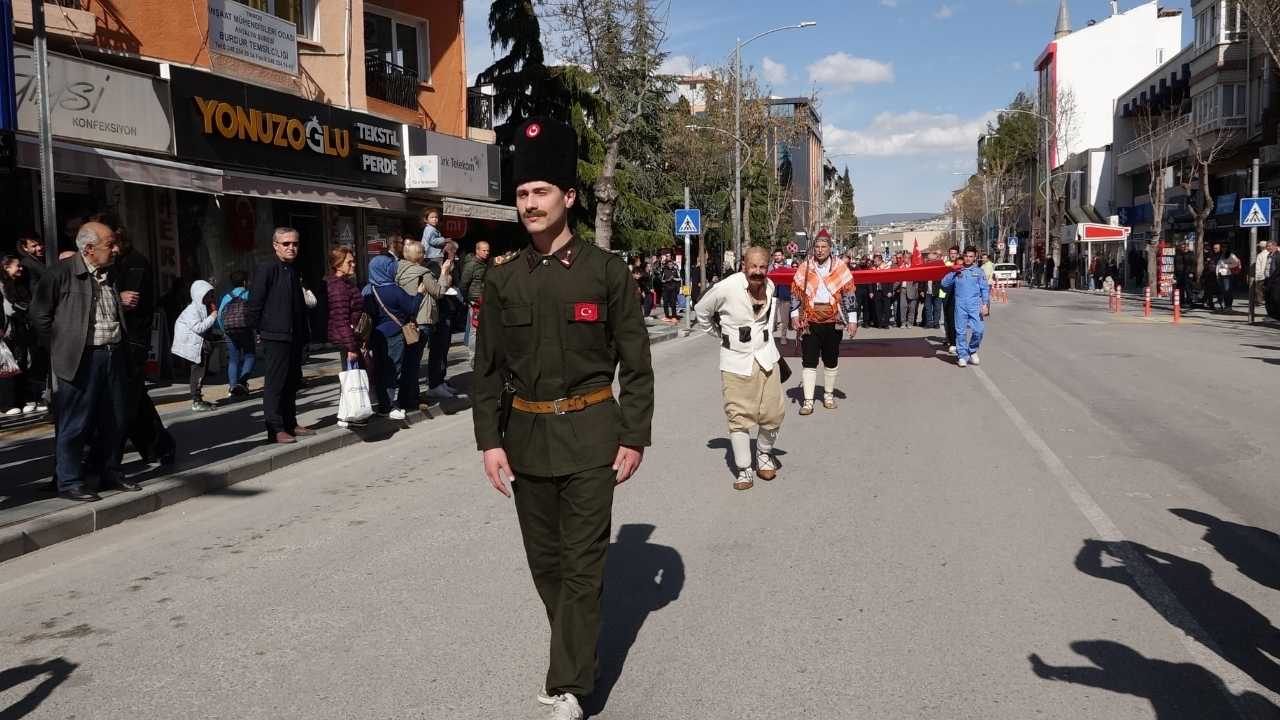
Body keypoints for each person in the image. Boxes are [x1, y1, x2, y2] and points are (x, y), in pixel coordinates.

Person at [472, 116, 654, 720]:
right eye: (522, 194)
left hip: (592, 436)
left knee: (582, 565)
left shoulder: (606, 273)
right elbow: (487, 369)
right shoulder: (502, 278)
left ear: (568, 197)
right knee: (545, 565)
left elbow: (637, 364)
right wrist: (489, 444)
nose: (529, 203)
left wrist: (634, 435)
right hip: (525, 438)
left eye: (540, 192)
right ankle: (580, 652)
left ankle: (569, 685)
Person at [29, 222, 142, 501]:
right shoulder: (61, 274)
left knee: (116, 418)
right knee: (75, 423)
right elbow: (39, 315)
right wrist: (61, 347)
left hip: (113, 354)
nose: (115, 249)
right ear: (89, 249)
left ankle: (110, 471)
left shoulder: (110, 273)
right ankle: (69, 481)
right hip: (80, 358)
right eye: (109, 245)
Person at [694, 246, 785, 491]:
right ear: (744, 265)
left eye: (762, 267)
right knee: (739, 416)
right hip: (736, 361)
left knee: (774, 413)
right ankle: (744, 469)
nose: (757, 271)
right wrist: (720, 334)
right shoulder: (727, 287)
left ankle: (764, 454)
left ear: (768, 268)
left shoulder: (770, 286)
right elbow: (701, 310)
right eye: (753, 266)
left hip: (766, 357)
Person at [245, 227, 314, 444]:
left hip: (294, 336)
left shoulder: (292, 269)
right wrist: (258, 331)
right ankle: (275, 429)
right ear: (276, 245)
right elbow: (255, 303)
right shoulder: (267, 268)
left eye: (294, 243)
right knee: (276, 384)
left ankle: (290, 422)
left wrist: (304, 336)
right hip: (275, 336)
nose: (291, 247)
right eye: (286, 244)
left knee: (292, 382)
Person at [791, 232, 856, 416]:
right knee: (809, 361)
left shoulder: (840, 267)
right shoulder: (805, 267)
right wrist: (795, 315)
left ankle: (828, 395)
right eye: (817, 247)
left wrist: (852, 319)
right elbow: (795, 292)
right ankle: (808, 401)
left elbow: (849, 293)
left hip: (833, 319)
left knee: (831, 359)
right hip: (810, 320)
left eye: (823, 247)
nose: (820, 250)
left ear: (830, 248)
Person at [365, 254, 422, 420]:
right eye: (390, 267)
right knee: (392, 369)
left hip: (376, 335)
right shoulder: (393, 289)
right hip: (394, 334)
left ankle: (383, 401)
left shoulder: (369, 289)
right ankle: (388, 404)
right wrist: (419, 293)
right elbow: (411, 308)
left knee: (380, 369)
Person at [396, 240, 447, 409]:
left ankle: (408, 397)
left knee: (407, 362)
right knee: (414, 362)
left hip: (406, 319)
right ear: (420, 256)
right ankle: (411, 399)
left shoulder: (398, 270)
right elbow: (438, 292)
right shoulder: (423, 273)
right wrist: (445, 273)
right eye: (423, 253)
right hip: (422, 320)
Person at [325, 246, 366, 428]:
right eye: (349, 262)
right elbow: (341, 319)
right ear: (337, 264)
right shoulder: (338, 287)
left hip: (351, 335)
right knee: (350, 376)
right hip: (346, 336)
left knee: (350, 375)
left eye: (353, 260)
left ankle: (346, 413)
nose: (353, 264)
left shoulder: (346, 282)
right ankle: (348, 414)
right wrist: (351, 347)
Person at [170, 280, 219, 412]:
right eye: (209, 295)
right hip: (194, 347)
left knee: (201, 373)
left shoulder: (203, 308)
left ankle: (198, 399)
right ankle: (196, 401)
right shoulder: (192, 310)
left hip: (200, 346)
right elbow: (198, 327)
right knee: (197, 373)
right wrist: (213, 316)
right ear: (200, 295)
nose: (211, 298)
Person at [941, 246, 990, 368]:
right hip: (960, 306)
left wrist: (985, 304)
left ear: (975, 257)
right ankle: (962, 356)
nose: (968, 259)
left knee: (979, 330)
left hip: (974, 306)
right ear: (963, 256)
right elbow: (944, 283)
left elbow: (984, 289)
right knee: (960, 332)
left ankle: (972, 350)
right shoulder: (958, 270)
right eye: (966, 256)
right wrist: (954, 272)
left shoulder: (979, 272)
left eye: (971, 257)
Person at [218, 271, 255, 396]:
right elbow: (254, 313)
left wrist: (224, 331)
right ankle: (242, 382)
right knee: (249, 355)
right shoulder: (249, 294)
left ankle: (232, 387)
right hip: (246, 330)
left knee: (233, 359)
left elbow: (219, 316)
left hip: (229, 331)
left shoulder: (226, 297)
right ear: (244, 282)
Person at [459, 240, 491, 350]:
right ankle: (473, 356)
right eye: (484, 250)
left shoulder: (485, 264)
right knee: (474, 330)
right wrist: (468, 299)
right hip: (475, 301)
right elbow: (463, 284)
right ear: (477, 250)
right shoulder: (471, 265)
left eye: (488, 250)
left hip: (483, 300)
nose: (487, 252)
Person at [1211, 241, 1242, 313]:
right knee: (1224, 291)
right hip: (1221, 275)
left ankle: (1229, 306)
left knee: (1228, 291)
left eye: (1225, 247)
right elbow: (1218, 265)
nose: (1223, 249)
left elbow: (1236, 263)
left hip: (1228, 275)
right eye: (1222, 247)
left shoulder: (1231, 255)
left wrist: (1226, 266)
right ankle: (1226, 306)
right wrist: (1217, 273)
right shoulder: (1221, 255)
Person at [942, 246, 960, 352]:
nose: (952, 255)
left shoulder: (961, 264)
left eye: (954, 253)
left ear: (958, 254)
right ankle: (949, 338)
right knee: (947, 318)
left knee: (957, 318)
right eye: (951, 253)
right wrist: (941, 295)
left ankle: (957, 340)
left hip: (958, 294)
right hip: (946, 293)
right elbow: (942, 280)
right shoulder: (947, 264)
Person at [657, 250, 682, 323]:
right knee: (665, 303)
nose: (670, 265)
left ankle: (674, 316)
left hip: (673, 288)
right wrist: (668, 280)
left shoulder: (675, 269)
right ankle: (667, 316)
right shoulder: (664, 270)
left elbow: (679, 278)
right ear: (667, 264)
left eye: (671, 264)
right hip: (666, 289)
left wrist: (674, 279)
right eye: (669, 264)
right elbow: (662, 280)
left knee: (673, 303)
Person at [1253, 241, 1270, 313]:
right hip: (1269, 275)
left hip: (1261, 276)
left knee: (1259, 289)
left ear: (1261, 247)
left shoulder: (1260, 255)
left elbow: (1258, 268)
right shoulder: (1271, 253)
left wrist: (1256, 277)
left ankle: (1261, 302)